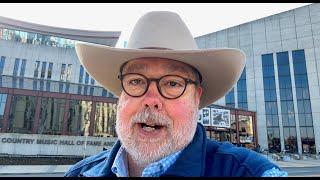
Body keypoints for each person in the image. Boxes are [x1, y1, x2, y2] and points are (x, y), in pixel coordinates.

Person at [64, 11, 287, 177]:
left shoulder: (250, 173)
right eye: (136, 81)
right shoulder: (78, 174)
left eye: (172, 83)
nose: (151, 101)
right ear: (121, 96)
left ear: (196, 99)